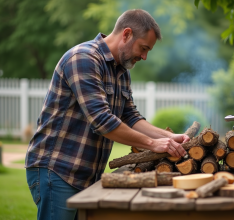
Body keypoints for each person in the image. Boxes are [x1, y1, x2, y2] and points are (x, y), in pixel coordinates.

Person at [25, 9, 189, 220]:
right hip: (57, 170)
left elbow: (129, 116)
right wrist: (153, 144)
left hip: (85, 175)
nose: (145, 57)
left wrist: (168, 137)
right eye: (143, 48)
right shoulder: (83, 59)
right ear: (127, 34)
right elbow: (102, 121)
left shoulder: (121, 71)